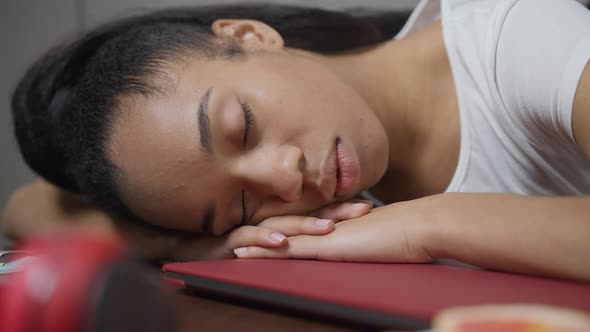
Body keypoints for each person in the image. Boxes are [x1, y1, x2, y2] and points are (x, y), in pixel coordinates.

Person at [2, 0, 590, 282]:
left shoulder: (514, 39)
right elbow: (27, 208)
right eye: (240, 206)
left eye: (243, 129)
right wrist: (197, 245)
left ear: (251, 36)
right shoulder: (332, 185)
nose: (285, 179)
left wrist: (424, 225)